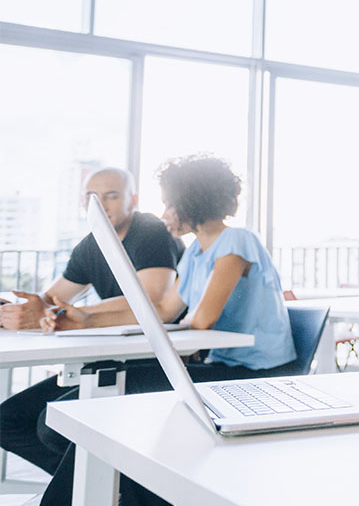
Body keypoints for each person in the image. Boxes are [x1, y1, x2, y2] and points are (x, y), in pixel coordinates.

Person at [38, 155, 297, 505]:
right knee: (87, 410)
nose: (163, 213)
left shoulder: (238, 241)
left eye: (169, 203)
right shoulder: (194, 255)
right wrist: (85, 318)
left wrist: (158, 322)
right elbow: (163, 310)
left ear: (192, 200)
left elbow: (202, 319)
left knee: (111, 405)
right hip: (222, 367)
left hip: (254, 373)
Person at [0, 167, 183, 478]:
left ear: (133, 199)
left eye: (111, 195)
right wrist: (17, 310)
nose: (101, 204)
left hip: (158, 361)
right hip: (112, 359)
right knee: (7, 420)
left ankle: (111, 489)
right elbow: (53, 299)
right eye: (92, 197)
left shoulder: (151, 230)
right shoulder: (92, 244)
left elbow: (150, 299)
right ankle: (104, 491)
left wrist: (76, 314)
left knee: (51, 425)